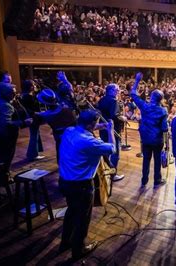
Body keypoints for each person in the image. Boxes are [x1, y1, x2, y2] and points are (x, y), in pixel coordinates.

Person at [58, 109, 115, 261]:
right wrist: (110, 130)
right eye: (95, 124)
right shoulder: (89, 142)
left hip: (65, 181)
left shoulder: (69, 131)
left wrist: (99, 126)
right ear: (91, 124)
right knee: (83, 218)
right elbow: (112, 148)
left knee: (71, 211)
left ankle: (65, 242)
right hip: (81, 185)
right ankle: (79, 249)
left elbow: (84, 128)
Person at [0, 82, 33, 184]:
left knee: (3, 154)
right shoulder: (6, 106)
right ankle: (5, 177)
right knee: (7, 155)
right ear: (6, 93)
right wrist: (23, 122)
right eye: (13, 92)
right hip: (5, 135)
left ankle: (4, 173)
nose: (15, 94)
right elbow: (6, 123)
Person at [131, 72, 169, 188]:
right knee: (157, 160)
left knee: (146, 160)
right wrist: (167, 144)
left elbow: (133, 94)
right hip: (157, 140)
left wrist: (137, 80)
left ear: (152, 97)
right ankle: (157, 180)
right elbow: (164, 129)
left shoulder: (144, 106)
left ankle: (144, 180)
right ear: (160, 100)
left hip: (146, 139)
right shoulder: (163, 111)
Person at [35, 88, 77, 161]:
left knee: (61, 155)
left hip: (59, 136)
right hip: (71, 134)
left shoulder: (46, 115)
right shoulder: (66, 108)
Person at [97, 83, 126, 181]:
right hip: (112, 130)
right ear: (111, 90)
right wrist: (123, 118)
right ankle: (113, 175)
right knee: (115, 153)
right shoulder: (114, 101)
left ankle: (104, 172)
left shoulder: (102, 99)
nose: (118, 92)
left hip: (103, 128)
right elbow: (115, 116)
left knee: (105, 151)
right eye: (117, 90)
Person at [20, 80, 45, 161]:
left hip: (32, 117)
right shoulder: (28, 96)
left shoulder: (25, 95)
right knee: (34, 135)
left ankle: (33, 153)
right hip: (33, 117)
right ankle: (33, 154)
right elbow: (31, 108)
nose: (35, 86)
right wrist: (37, 113)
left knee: (35, 134)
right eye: (33, 85)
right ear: (30, 87)